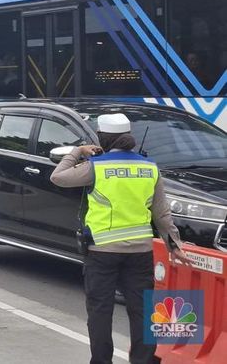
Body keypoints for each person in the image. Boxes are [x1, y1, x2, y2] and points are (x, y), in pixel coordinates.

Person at [50, 113, 188, 364]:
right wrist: (175, 245)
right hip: (140, 252)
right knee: (143, 311)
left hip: (102, 251)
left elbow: (58, 177)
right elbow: (161, 213)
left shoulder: (96, 166)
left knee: (100, 311)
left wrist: (78, 151)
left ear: (103, 138)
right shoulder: (149, 167)